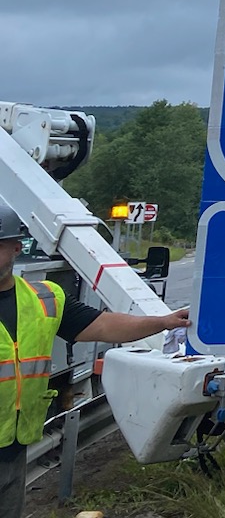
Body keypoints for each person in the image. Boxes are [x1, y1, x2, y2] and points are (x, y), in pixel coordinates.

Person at [0, 205, 188, 518]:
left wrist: (163, 322)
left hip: (14, 447)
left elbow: (102, 325)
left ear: (16, 247)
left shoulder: (44, 299)